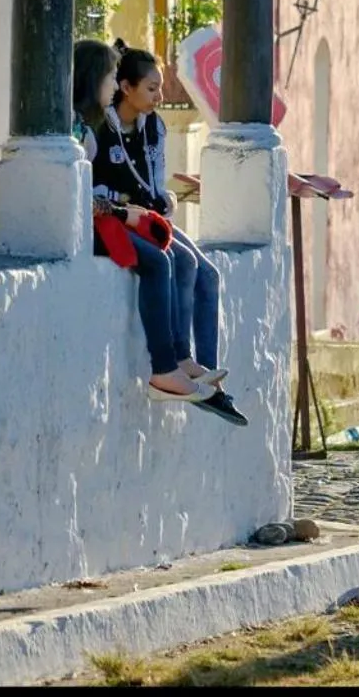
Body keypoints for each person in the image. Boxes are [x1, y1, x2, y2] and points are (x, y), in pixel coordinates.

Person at [93, 41, 248, 428]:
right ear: (124, 87)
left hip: (147, 217)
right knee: (178, 261)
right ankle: (177, 360)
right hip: (119, 220)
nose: (160, 96)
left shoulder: (153, 126)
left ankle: (202, 374)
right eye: (151, 88)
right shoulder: (102, 128)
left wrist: (165, 200)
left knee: (207, 274)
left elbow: (155, 178)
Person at [73, 39, 213, 407]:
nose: (112, 83)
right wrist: (121, 208)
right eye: (109, 77)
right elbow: (80, 195)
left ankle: (187, 365)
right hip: (96, 225)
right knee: (162, 262)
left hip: (130, 216)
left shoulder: (105, 126)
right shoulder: (88, 131)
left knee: (195, 266)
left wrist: (157, 201)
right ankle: (166, 367)